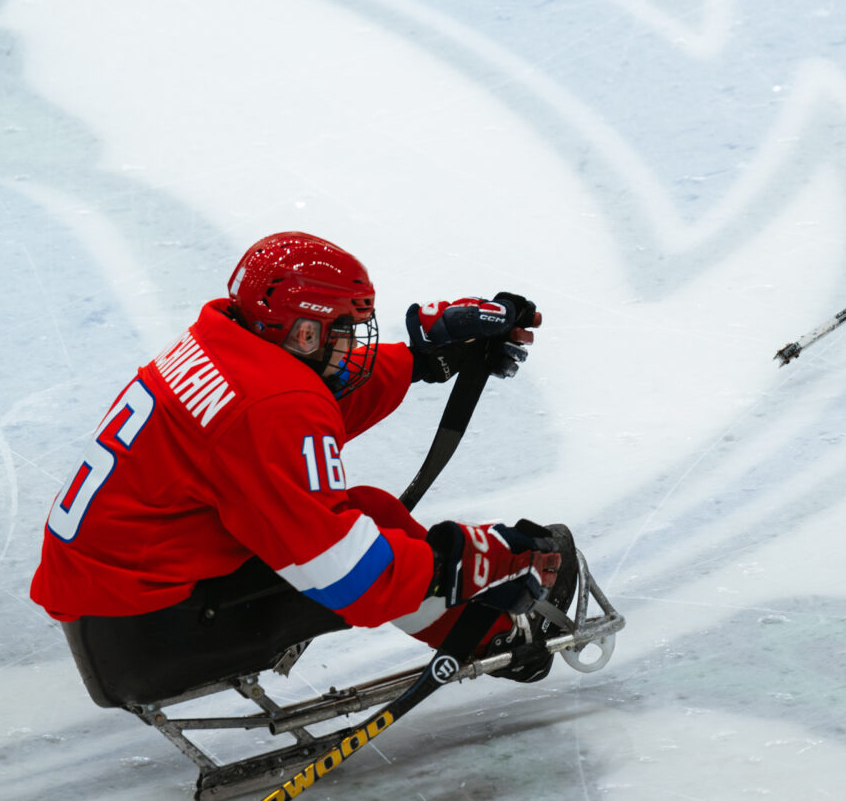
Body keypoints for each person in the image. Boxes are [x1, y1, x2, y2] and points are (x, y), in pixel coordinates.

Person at [30, 231, 575, 707]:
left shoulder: (224, 348)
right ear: (304, 333)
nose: (353, 344)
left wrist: (422, 359)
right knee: (366, 537)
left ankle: (482, 630)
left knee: (367, 512)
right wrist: (463, 563)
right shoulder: (269, 406)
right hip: (156, 632)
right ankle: (499, 632)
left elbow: (292, 425)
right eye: (343, 329)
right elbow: (346, 574)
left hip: (114, 608)